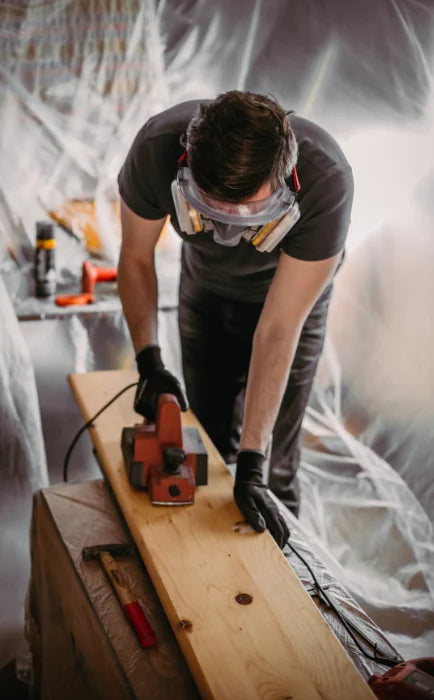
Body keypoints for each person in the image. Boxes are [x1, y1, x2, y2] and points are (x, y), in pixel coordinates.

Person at [117, 90, 354, 548]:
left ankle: (286, 577)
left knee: (272, 468)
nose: (228, 234)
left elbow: (279, 328)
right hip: (204, 288)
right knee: (203, 442)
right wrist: (149, 363)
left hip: (287, 298)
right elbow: (135, 260)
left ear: (285, 181)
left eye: (249, 214)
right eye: (210, 210)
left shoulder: (327, 181)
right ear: (186, 165)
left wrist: (252, 463)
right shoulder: (156, 147)